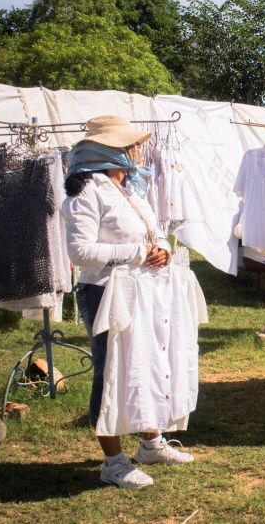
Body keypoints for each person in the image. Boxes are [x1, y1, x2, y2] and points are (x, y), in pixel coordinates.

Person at [63, 115, 194, 489]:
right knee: (111, 374)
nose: (138, 150)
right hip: (105, 292)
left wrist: (163, 253)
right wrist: (138, 253)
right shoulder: (86, 190)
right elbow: (80, 250)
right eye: (131, 145)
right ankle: (113, 461)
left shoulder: (130, 188)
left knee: (146, 365)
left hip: (143, 290)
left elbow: (155, 234)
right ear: (111, 149)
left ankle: (151, 444)